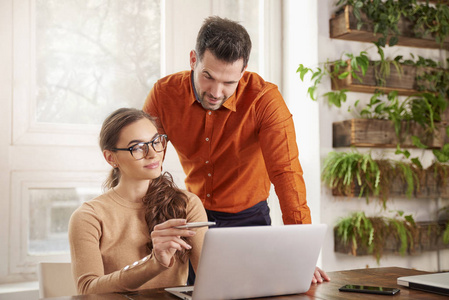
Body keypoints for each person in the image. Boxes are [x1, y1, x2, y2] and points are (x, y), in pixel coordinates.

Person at [143, 16, 329, 283]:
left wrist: (303, 254)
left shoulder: (265, 101)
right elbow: (144, 163)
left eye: (229, 82)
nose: (216, 92)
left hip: (249, 219)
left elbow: (286, 173)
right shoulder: (164, 94)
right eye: (208, 76)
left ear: (243, 72)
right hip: (192, 219)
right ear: (193, 60)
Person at [68, 108, 208, 294]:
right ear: (111, 158)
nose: (153, 153)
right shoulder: (88, 217)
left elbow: (210, 279)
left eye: (156, 141)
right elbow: (87, 291)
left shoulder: (187, 204)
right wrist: (154, 263)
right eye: (138, 147)